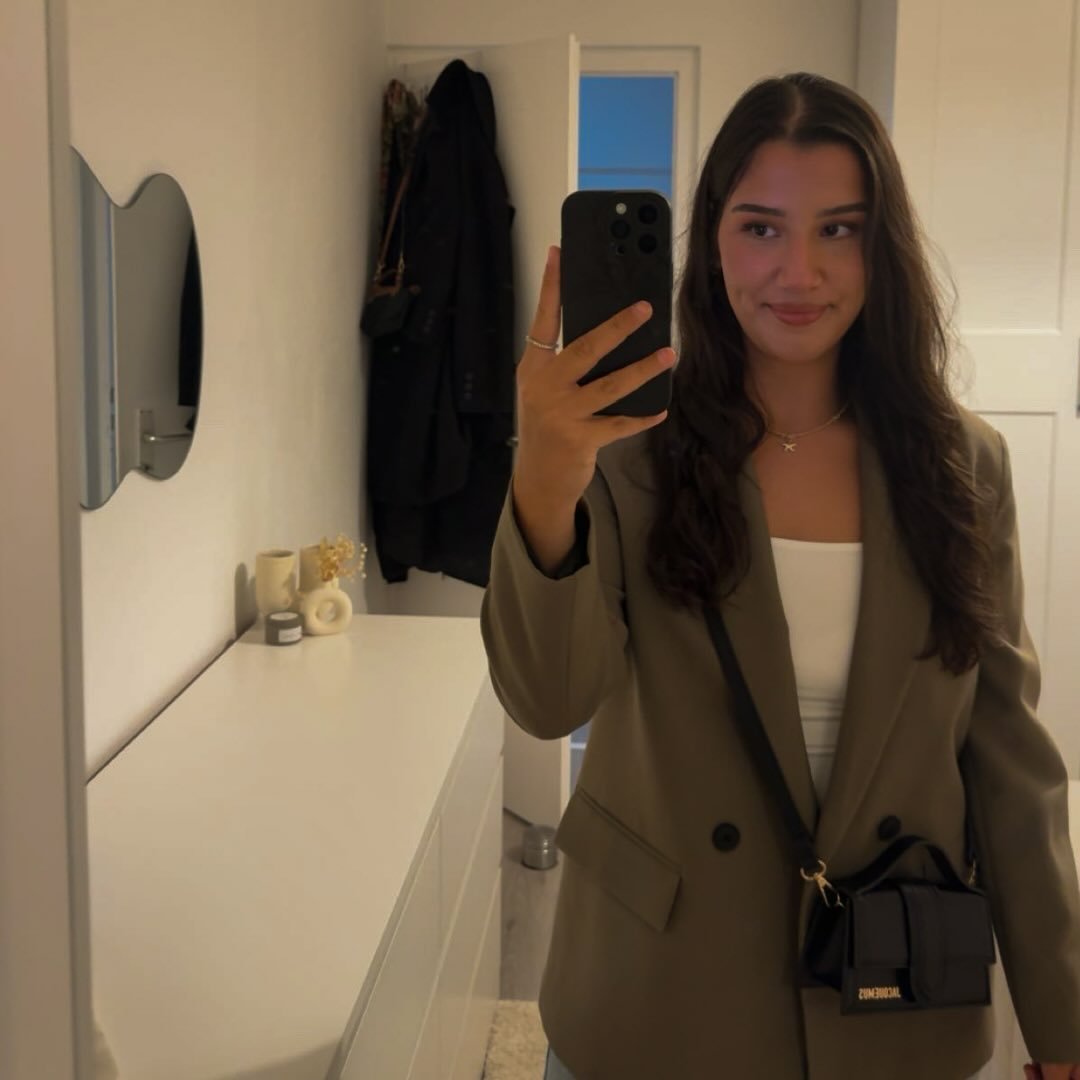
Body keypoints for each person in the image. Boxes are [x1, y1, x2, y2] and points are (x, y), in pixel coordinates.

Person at [479, 72, 1080, 1079]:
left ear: (882, 248)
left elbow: (1009, 757)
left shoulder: (962, 468)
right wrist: (543, 473)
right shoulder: (624, 453)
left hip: (892, 994)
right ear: (713, 239)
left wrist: (1063, 1023)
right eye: (761, 228)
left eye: (839, 230)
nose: (798, 271)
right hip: (658, 992)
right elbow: (548, 701)